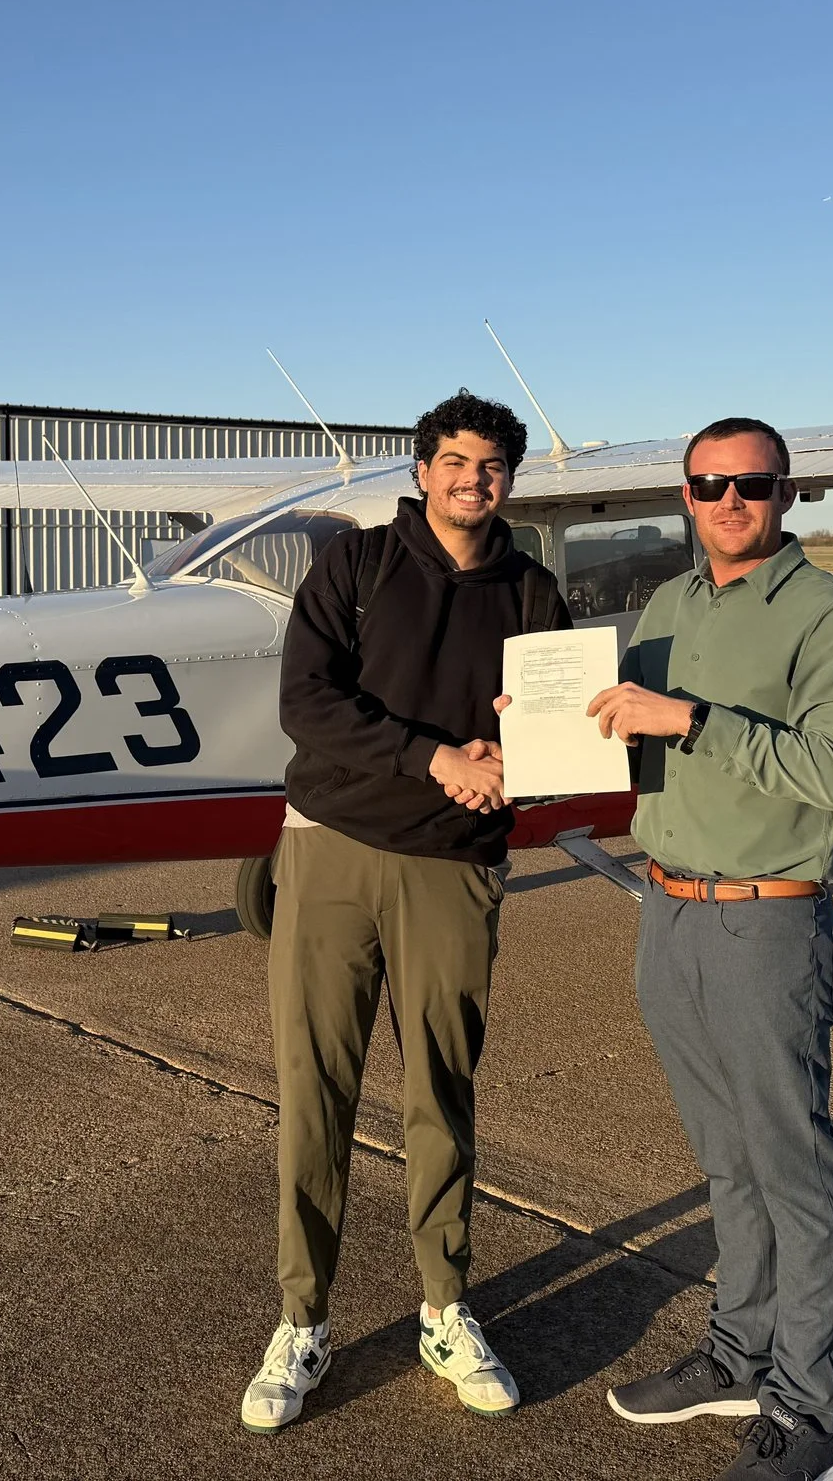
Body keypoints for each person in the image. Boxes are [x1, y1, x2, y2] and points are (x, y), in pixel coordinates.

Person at [238, 390, 572, 1435]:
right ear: (422, 469)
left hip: (454, 867)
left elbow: (553, 739)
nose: (476, 480)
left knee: (441, 1090)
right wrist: (434, 756)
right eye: (458, 462)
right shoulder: (355, 566)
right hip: (331, 847)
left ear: (508, 481)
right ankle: (303, 1319)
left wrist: (520, 769)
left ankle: (444, 1306)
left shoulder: (532, 591)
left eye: (494, 466)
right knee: (315, 1090)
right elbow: (307, 703)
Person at [590, 416, 833, 1481]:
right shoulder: (668, 606)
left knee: (788, 1164)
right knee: (725, 1161)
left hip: (767, 917)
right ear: (684, 494)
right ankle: (737, 1354)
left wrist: (689, 720)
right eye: (707, 484)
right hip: (663, 904)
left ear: (786, 493)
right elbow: (624, 724)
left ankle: (810, 1414)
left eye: (750, 484)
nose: (728, 501)